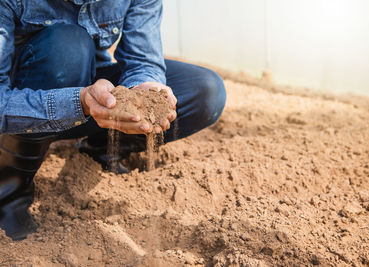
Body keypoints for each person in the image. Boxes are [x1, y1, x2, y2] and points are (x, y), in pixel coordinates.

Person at [0, 0, 226, 240]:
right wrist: (79, 101)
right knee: (68, 47)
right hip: (24, 104)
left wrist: (144, 91)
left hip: (90, 97)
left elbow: (144, 61)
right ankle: (8, 195)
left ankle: (101, 148)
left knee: (204, 90)